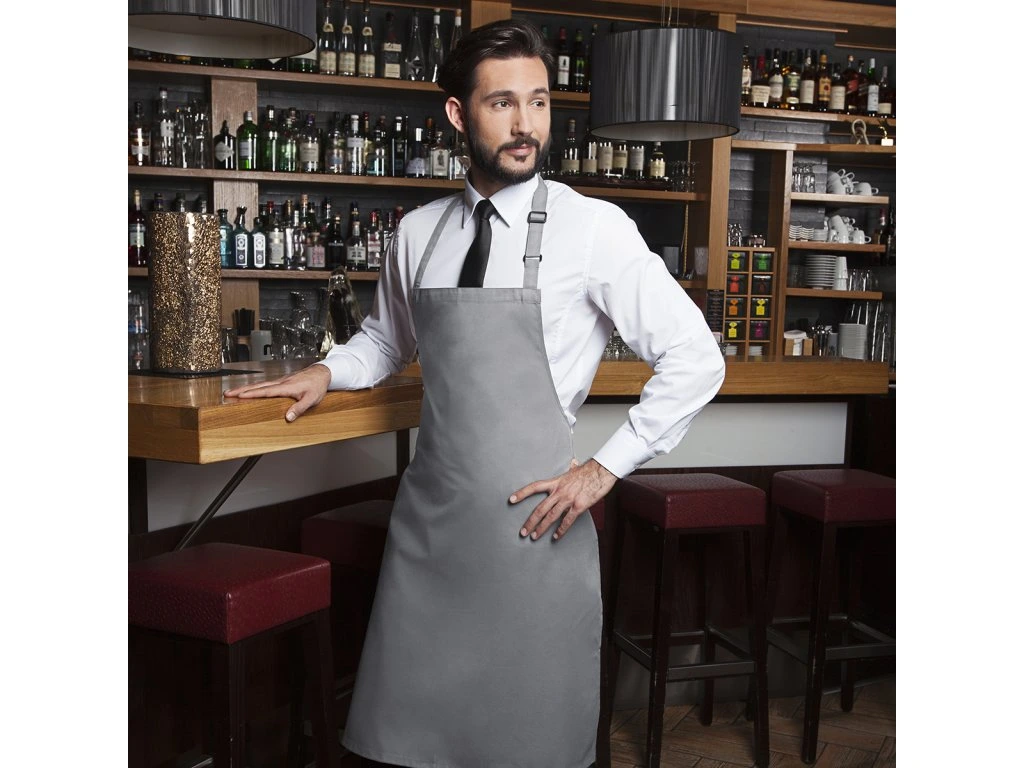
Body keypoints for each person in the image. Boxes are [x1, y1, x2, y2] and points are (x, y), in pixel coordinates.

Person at [225, 18, 725, 768]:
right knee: (409, 747)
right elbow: (387, 342)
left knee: (530, 747)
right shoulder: (418, 232)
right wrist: (330, 369)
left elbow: (696, 357)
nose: (526, 125)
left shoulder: (594, 229)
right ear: (459, 114)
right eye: (502, 104)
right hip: (430, 532)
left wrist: (603, 469)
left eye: (539, 102)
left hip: (534, 532)